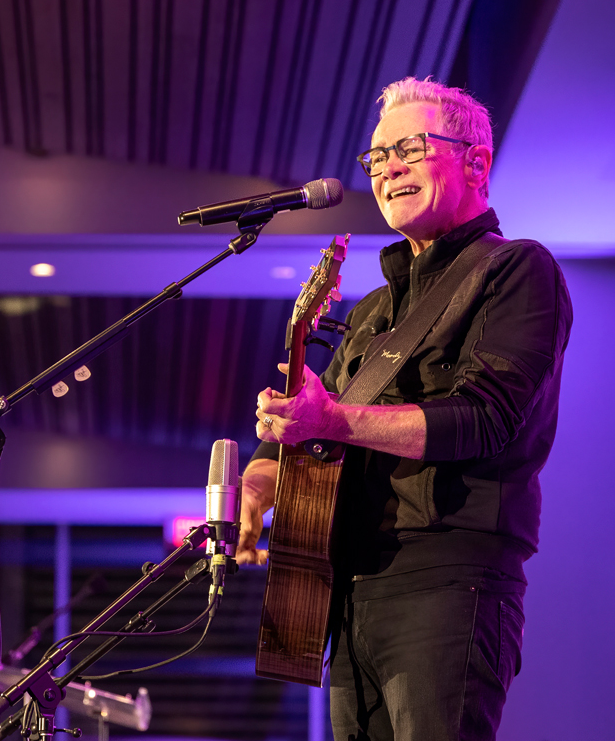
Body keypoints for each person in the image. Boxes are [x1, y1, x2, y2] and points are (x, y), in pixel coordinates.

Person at [236, 77, 572, 741]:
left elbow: (483, 418)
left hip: (449, 583)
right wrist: (259, 479)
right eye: (377, 157)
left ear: (476, 162)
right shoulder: (370, 316)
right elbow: (305, 432)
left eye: (410, 149)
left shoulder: (516, 271)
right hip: (348, 590)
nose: (387, 169)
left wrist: (328, 421)